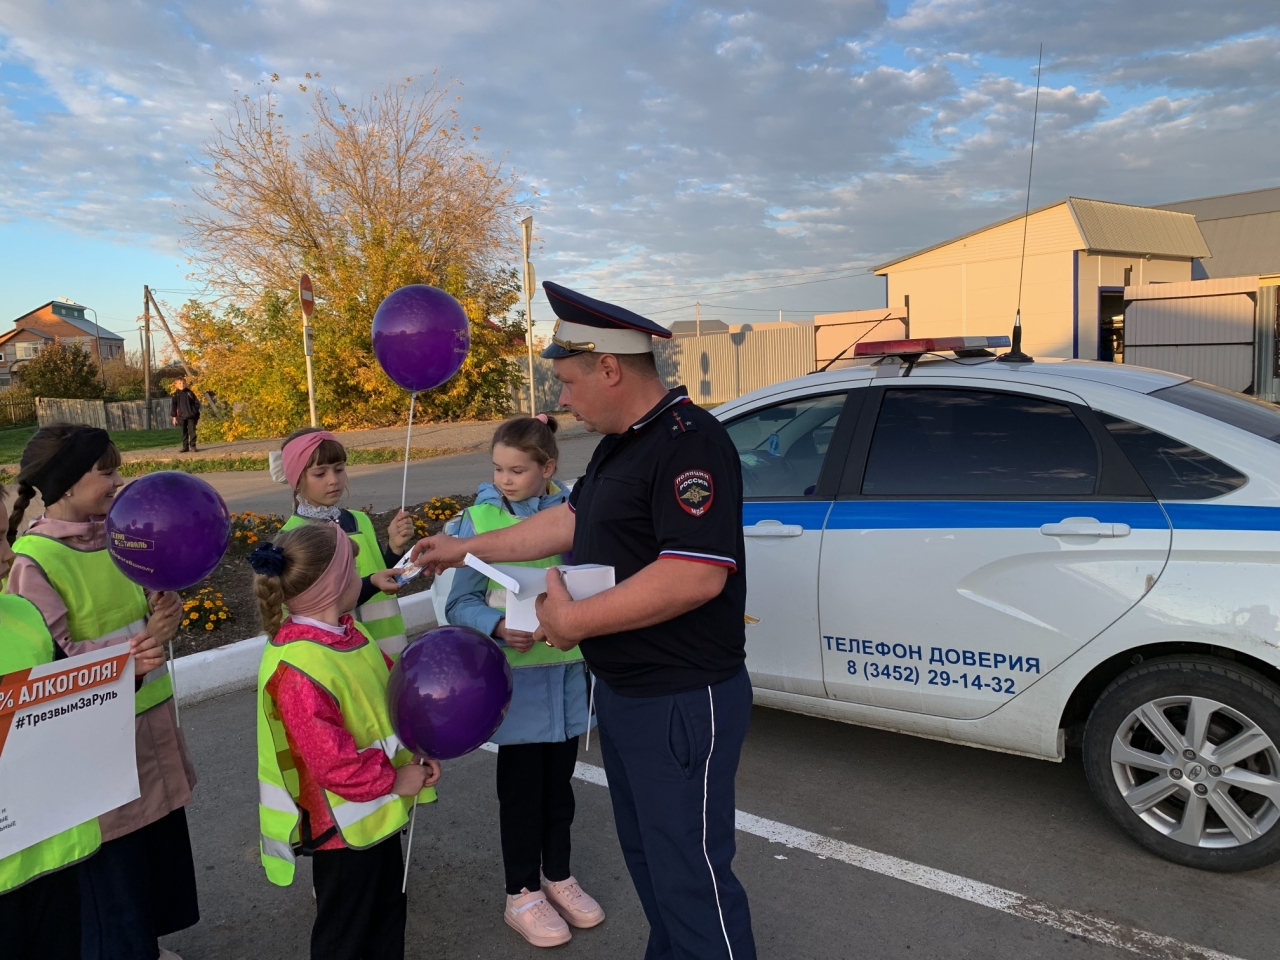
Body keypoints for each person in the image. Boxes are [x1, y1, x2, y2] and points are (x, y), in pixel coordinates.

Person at [413, 281, 754, 960]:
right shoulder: (622, 445)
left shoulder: (688, 444)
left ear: (609, 368)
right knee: (653, 862)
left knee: (690, 873)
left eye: (568, 380)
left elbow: (694, 575)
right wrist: (461, 548)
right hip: (629, 692)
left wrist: (572, 622)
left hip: (680, 696)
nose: (562, 400)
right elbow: (565, 520)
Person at [4, 424, 196, 960]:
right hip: (97, 743)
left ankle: (146, 945)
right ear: (65, 485)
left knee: (152, 858)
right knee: (113, 875)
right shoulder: (36, 561)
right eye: (105, 471)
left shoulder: (119, 537)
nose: (119, 481)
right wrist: (141, 641)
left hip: (147, 727)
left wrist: (163, 612)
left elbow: (142, 612)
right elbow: (54, 659)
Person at [445, 413, 604, 948]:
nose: (506, 479)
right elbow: (459, 602)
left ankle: (557, 877)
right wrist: (495, 624)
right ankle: (521, 893)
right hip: (515, 686)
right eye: (499, 469)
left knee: (559, 792)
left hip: (568, 676)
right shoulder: (479, 520)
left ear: (548, 467)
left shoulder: (574, 512)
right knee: (520, 794)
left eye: (517, 469)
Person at [250, 523, 441, 960]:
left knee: (387, 912)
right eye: (353, 565)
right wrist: (396, 780)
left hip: (375, 815)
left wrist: (419, 751)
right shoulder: (299, 666)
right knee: (346, 936)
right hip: (341, 830)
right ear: (336, 582)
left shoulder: (349, 635)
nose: (361, 573)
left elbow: (392, 698)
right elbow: (332, 764)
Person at [0, 530, 102, 960]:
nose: (8, 553)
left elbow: (67, 701)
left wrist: (126, 676)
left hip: (49, 855)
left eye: (5, 534)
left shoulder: (21, 614)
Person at [276, 428, 416, 658]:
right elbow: (323, 605)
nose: (333, 480)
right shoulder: (293, 535)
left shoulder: (359, 520)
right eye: (320, 474)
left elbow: (382, 577)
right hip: (343, 655)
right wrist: (372, 582)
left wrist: (395, 547)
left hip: (388, 648)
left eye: (339, 469)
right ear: (297, 479)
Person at [170, 378, 201, 453]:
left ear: (185, 384)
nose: (182, 385)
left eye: (183, 383)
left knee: (192, 431)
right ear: (176, 385)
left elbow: (197, 403)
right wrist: (174, 417)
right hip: (181, 416)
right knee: (184, 432)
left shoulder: (189, 393)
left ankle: (193, 446)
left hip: (191, 416)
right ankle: (185, 447)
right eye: (180, 383)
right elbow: (174, 406)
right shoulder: (175, 395)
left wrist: (193, 412)